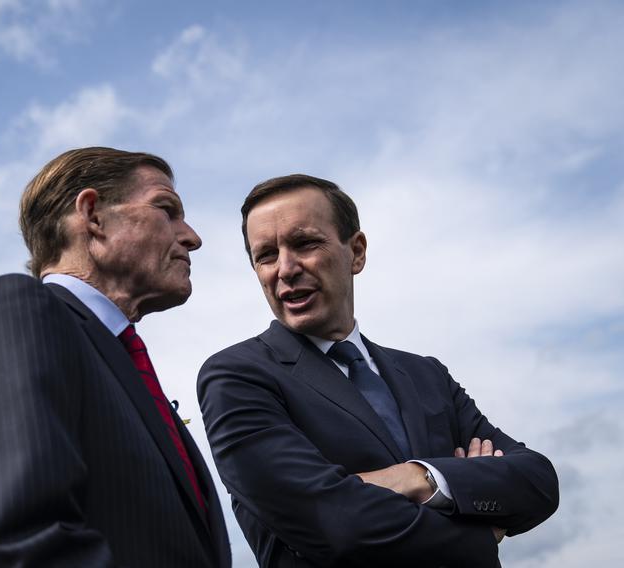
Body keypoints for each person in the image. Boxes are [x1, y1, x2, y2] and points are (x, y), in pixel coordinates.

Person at [197, 174, 559, 567]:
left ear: (356, 252)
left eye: (304, 243)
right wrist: (473, 523)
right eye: (265, 255)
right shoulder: (236, 377)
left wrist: (418, 478)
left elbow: (537, 480)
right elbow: (334, 523)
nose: (285, 268)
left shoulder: (427, 375)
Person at [0, 147, 231, 568]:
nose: (192, 237)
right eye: (167, 209)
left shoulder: (122, 365)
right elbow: (19, 546)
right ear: (93, 216)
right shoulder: (18, 312)